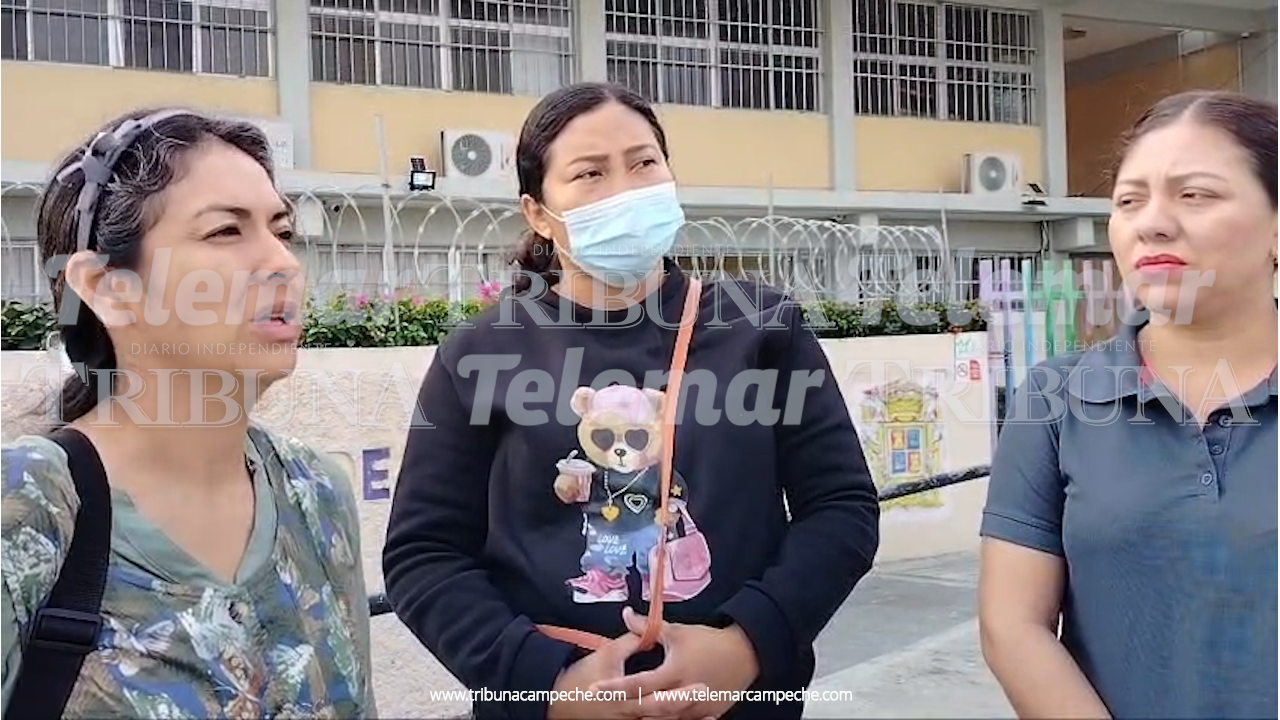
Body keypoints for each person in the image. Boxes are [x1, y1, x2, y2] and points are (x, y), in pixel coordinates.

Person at [382, 81, 881, 720]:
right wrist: (545, 686)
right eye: (590, 173)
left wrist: (747, 645)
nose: (624, 190)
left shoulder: (762, 326)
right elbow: (424, 555)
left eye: (644, 163)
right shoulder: (480, 351)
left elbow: (841, 509)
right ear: (538, 213)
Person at [0, 108, 377, 718]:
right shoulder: (26, 505)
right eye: (225, 232)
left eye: (282, 231)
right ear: (107, 288)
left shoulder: (316, 497)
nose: (283, 263)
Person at [978, 90, 1278, 719]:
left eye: (1195, 195)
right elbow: (1013, 625)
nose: (1152, 223)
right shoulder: (1054, 400)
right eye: (1129, 201)